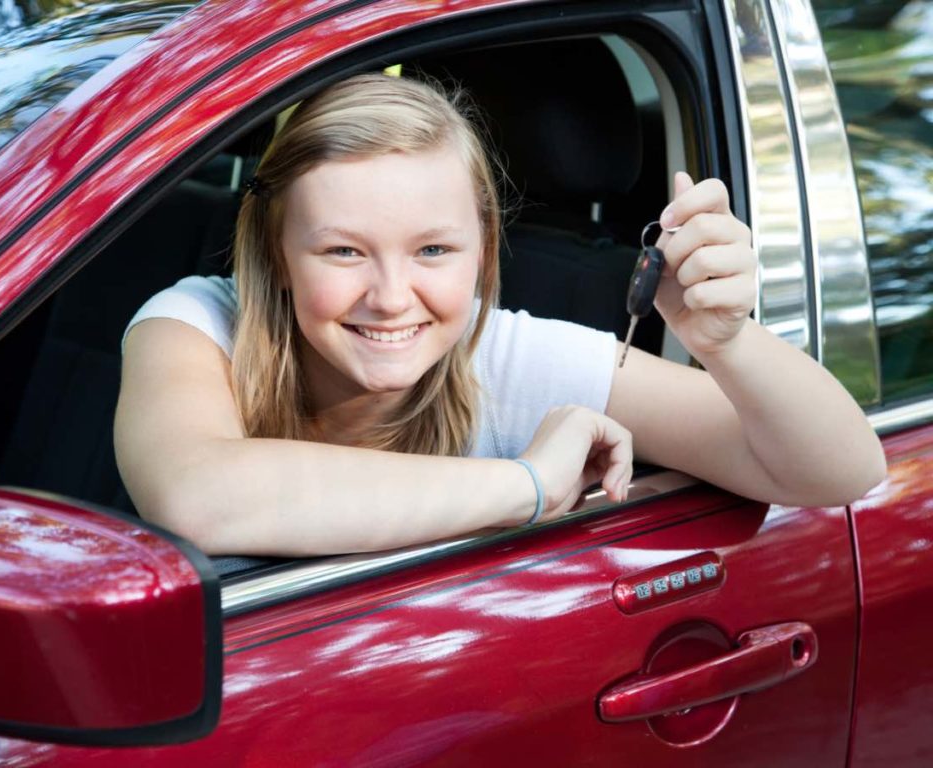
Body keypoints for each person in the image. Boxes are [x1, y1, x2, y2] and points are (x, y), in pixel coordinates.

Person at [114, 73, 886, 557]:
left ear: (484, 252)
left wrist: (728, 343)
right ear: (276, 253)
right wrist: (528, 485)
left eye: (433, 251)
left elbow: (842, 471)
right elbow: (201, 498)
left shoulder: (509, 358)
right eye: (344, 252)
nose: (390, 296)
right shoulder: (196, 325)